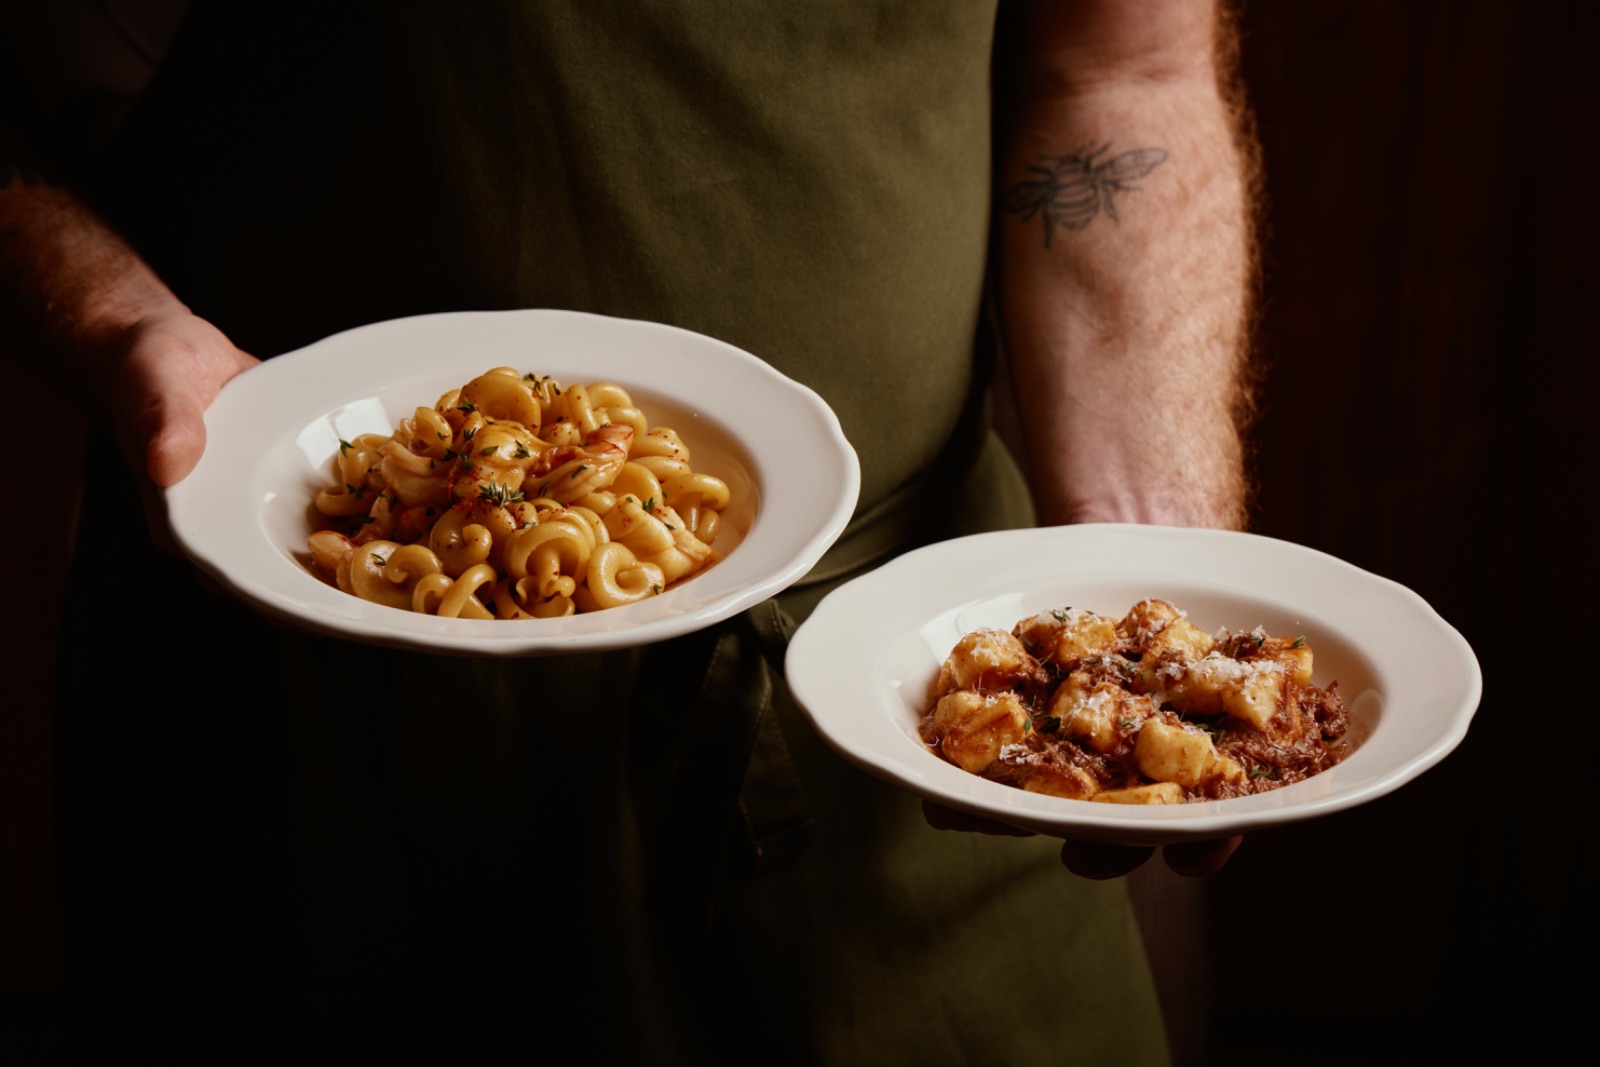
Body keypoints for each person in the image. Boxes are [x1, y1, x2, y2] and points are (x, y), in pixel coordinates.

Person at [2, 0, 1254, 1059]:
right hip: (282, 731)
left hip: (900, 695)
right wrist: (117, 318)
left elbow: (1117, 72)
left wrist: (1141, 584)